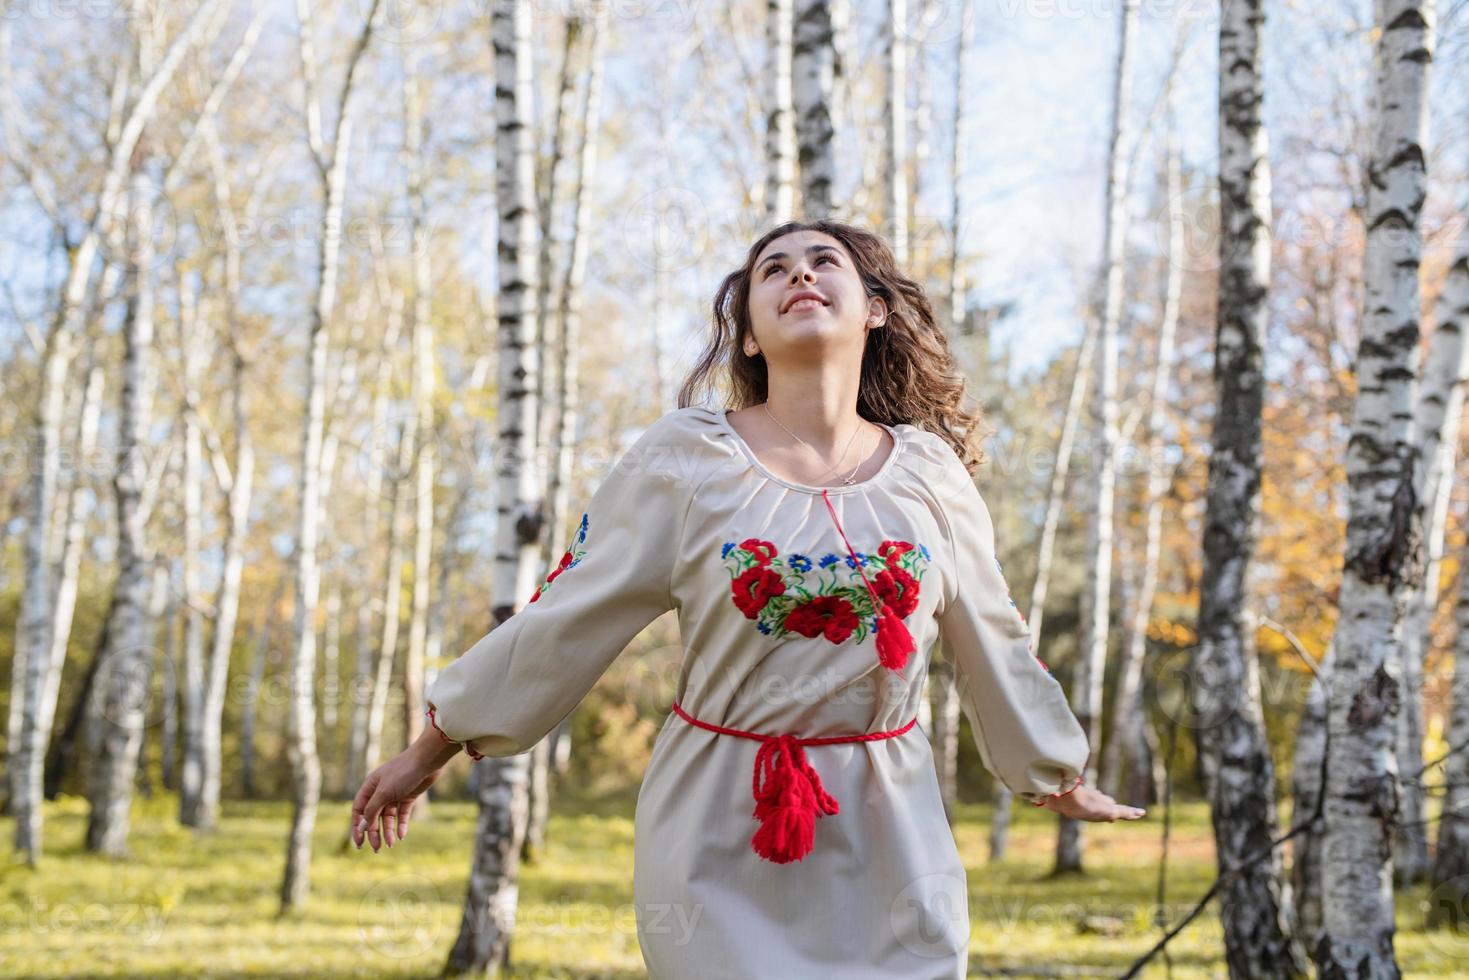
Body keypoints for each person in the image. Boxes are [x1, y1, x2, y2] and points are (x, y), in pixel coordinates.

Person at [351, 219, 1146, 977]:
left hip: (891, 828)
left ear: (873, 311)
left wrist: (1054, 771)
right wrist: (433, 747)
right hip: (717, 823)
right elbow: (569, 611)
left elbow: (990, 633)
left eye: (823, 260)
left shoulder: (928, 473)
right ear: (751, 336)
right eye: (773, 269)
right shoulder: (686, 460)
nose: (799, 272)